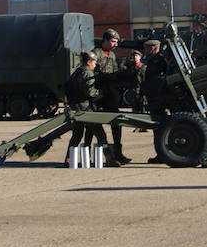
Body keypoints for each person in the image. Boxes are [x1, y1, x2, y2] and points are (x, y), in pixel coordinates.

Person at [92, 29, 137, 165]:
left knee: (117, 123)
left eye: (117, 42)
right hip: (97, 94)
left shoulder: (111, 55)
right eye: (113, 41)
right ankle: (86, 153)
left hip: (110, 93)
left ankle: (118, 152)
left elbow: (115, 71)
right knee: (90, 124)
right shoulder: (95, 54)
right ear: (105, 40)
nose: (115, 45)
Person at [64, 52, 108, 161]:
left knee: (77, 135)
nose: (95, 64)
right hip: (86, 108)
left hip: (76, 106)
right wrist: (101, 93)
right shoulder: (88, 73)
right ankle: (109, 157)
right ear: (88, 62)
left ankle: (69, 159)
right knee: (100, 133)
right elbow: (90, 92)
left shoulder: (76, 72)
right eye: (94, 62)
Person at [138, 40, 172, 162]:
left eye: (147, 48)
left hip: (159, 97)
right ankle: (162, 154)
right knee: (158, 127)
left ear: (153, 48)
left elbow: (161, 79)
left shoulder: (160, 60)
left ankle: (162, 154)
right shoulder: (153, 59)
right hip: (155, 96)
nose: (145, 50)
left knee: (158, 126)